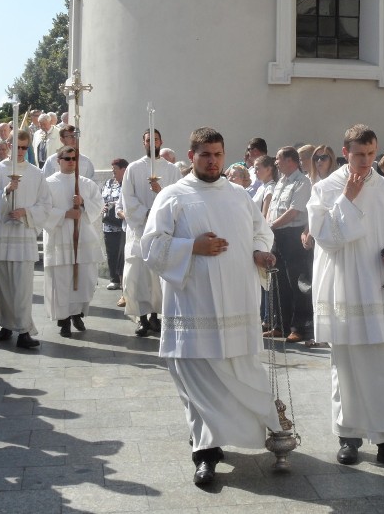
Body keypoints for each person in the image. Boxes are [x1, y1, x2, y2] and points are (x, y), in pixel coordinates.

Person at [140, 127, 282, 485]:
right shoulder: (173, 195)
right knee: (197, 376)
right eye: (205, 154)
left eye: (218, 154)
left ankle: (218, 439)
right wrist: (191, 247)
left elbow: (261, 230)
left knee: (235, 370)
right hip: (193, 305)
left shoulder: (239, 195)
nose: (213, 160)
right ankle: (204, 453)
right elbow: (152, 246)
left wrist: (261, 252)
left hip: (237, 303)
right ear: (192, 157)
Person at [308, 124, 384, 470]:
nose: (366, 162)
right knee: (348, 366)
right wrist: (349, 200)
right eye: (359, 155)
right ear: (346, 151)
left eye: (372, 154)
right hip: (344, 287)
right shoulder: (325, 189)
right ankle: (349, 436)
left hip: (380, 288)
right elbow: (325, 237)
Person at [0, 130, 51, 349]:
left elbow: (45, 204)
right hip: (0, 236)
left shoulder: (36, 174)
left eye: (24, 147)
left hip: (22, 236)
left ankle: (24, 331)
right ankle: (6, 324)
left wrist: (25, 213)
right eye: (16, 146)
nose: (20, 151)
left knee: (21, 288)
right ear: (8, 145)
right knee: (1, 286)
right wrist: (5, 191)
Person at [120, 129, 180, 336]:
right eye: (148, 140)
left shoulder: (172, 170)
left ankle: (156, 317)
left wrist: (160, 191)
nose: (152, 143)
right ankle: (142, 319)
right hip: (139, 230)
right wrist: (146, 214)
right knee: (136, 276)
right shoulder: (133, 169)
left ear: (161, 141)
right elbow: (127, 198)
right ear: (143, 143)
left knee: (157, 277)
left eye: (155, 139)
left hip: (163, 231)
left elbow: (179, 197)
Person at [43, 146, 104, 338]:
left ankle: (78, 313)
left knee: (84, 278)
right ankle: (64, 320)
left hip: (83, 237)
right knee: (62, 281)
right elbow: (42, 210)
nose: (71, 162)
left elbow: (99, 205)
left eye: (74, 159)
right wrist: (65, 214)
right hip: (59, 237)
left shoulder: (86, 183)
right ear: (58, 161)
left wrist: (84, 203)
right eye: (67, 158)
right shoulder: (48, 184)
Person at [265, 146, 312, 343]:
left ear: (291, 161)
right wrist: (268, 228)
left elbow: (294, 211)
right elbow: (273, 209)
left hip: (292, 235)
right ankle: (280, 326)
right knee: (279, 282)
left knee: (296, 284)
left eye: (279, 158)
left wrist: (271, 226)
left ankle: (298, 327)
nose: (275, 162)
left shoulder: (302, 182)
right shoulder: (280, 182)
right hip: (276, 235)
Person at [102, 159, 128, 291]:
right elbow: (102, 197)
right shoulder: (109, 183)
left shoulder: (128, 184)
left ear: (124, 170)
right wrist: (104, 206)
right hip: (108, 224)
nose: (113, 172)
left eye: (115, 169)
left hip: (122, 224)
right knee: (111, 251)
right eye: (112, 169)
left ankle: (123, 279)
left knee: (122, 253)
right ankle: (114, 279)